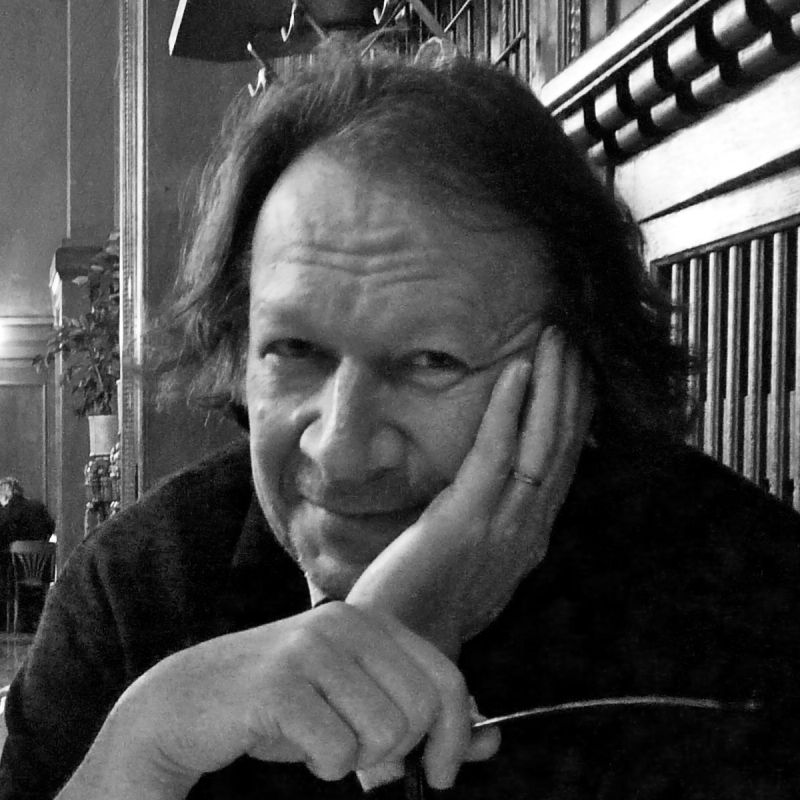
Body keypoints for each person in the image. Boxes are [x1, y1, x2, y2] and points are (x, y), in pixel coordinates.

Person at [2, 45, 800, 800]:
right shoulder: (135, 598)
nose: (340, 449)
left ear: (577, 368)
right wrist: (146, 749)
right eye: (295, 350)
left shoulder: (747, 615)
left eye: (430, 361)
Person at [0, 478, 55, 549]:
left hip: (14, 553)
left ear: (5, 496)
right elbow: (51, 527)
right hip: (41, 553)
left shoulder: (6, 512)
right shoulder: (38, 506)